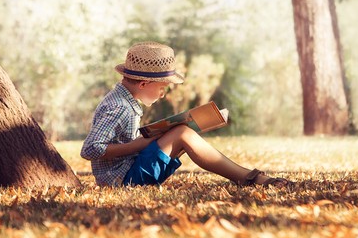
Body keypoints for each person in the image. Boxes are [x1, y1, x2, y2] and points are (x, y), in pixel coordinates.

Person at [81, 41, 289, 187]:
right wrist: (140, 144)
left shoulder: (126, 101)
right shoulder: (119, 107)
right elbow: (90, 149)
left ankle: (246, 177)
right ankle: (248, 178)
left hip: (130, 171)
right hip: (123, 179)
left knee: (181, 131)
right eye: (163, 88)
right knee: (182, 134)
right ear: (144, 83)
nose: (163, 95)